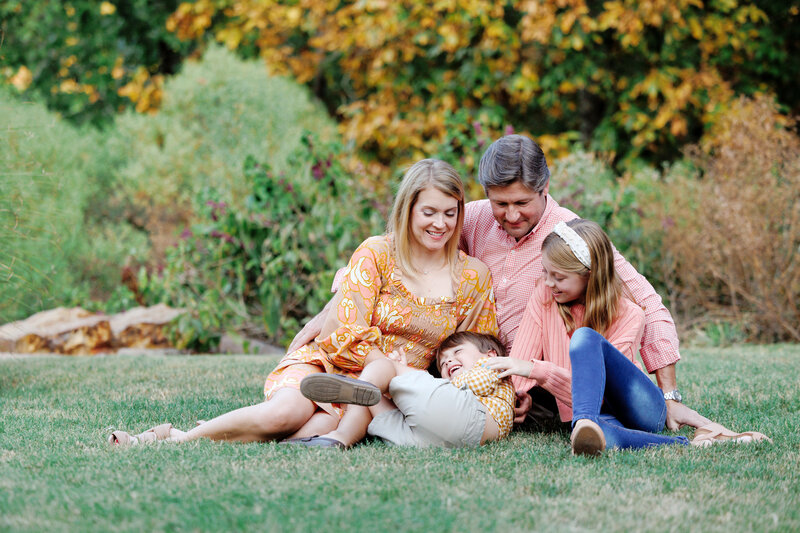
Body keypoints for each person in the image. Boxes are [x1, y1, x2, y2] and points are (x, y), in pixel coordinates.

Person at [290, 134, 709, 433]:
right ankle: (343, 415)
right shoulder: (471, 216)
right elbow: (396, 252)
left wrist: (668, 396)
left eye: (521, 203)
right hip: (484, 371)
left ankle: (365, 412)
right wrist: (337, 301)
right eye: (500, 204)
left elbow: (646, 302)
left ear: (545, 189)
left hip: (548, 382)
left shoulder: (569, 235)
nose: (509, 215)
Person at [108, 159, 498, 446]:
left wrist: (497, 390)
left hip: (388, 393)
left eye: (450, 213)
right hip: (329, 364)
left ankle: (211, 430)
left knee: (316, 431)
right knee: (287, 413)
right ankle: (171, 438)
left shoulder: (472, 278)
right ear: (408, 209)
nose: (440, 224)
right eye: (428, 212)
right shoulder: (377, 254)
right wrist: (381, 366)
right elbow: (342, 331)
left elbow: (480, 347)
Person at [484, 219, 691, 455]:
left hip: (637, 406)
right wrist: (514, 397)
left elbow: (599, 393)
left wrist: (537, 371)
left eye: (559, 277)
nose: (549, 283)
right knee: (596, 437)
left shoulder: (630, 314)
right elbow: (521, 359)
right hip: (596, 416)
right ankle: (679, 443)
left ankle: (585, 422)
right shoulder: (545, 296)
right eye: (545, 272)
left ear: (589, 276)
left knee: (584, 338)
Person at [297, 331, 515, 448]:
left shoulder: (494, 367)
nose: (448, 362)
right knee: (376, 400)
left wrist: (404, 373)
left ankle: (369, 382)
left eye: (457, 352)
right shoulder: (461, 386)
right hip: (441, 441)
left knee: (389, 367)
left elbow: (473, 384)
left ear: (490, 354)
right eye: (443, 363)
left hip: (473, 418)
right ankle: (338, 438)